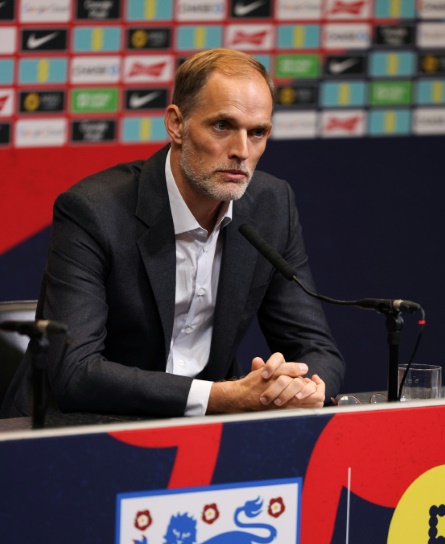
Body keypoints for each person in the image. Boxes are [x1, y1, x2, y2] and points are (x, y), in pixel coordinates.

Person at [1, 48, 344, 420]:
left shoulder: (271, 206)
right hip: (78, 432)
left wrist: (300, 387)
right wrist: (219, 397)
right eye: (222, 126)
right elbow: (76, 372)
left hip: (200, 440)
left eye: (257, 132)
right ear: (177, 124)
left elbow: (316, 349)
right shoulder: (93, 211)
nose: (241, 151)